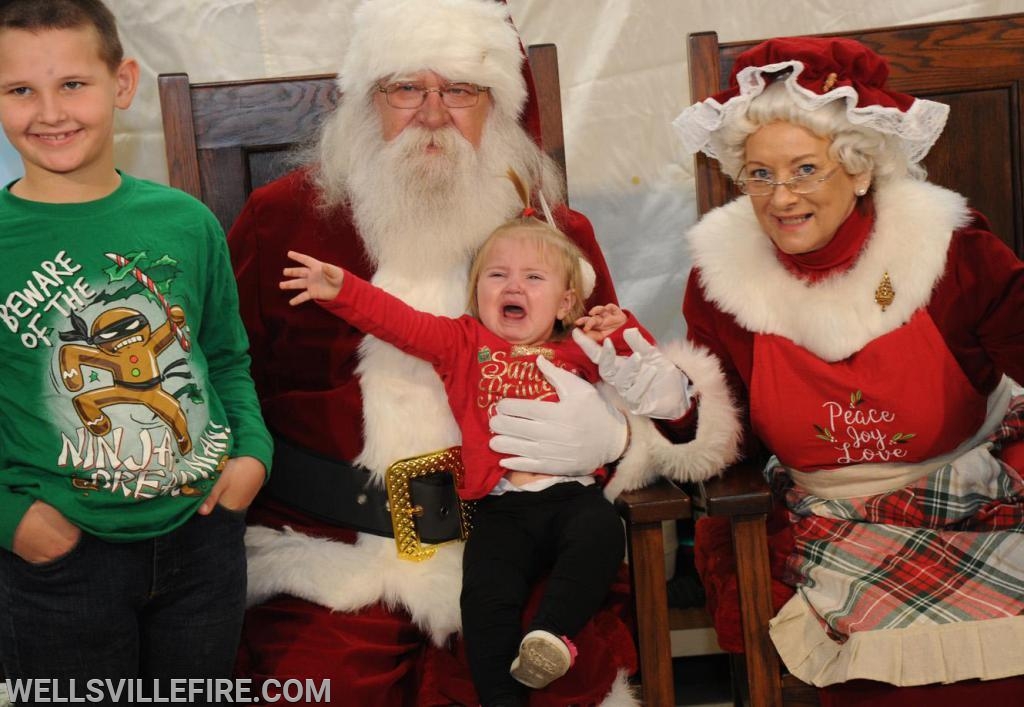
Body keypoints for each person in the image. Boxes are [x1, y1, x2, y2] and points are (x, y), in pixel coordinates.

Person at [227, 0, 740, 704]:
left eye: (460, 90)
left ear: (496, 107)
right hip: (330, 555)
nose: (433, 113)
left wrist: (618, 436)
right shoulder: (285, 222)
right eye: (406, 86)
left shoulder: (556, 237)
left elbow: (632, 377)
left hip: (525, 546)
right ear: (366, 100)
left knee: (550, 684)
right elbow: (222, 387)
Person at [665, 35, 1024, 701]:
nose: (780, 197)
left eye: (805, 169)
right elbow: (725, 431)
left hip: (977, 502)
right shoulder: (721, 280)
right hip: (830, 523)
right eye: (760, 173)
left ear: (860, 168)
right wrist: (676, 405)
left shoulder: (952, 252)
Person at [280, 190, 670, 704]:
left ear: (567, 303)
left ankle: (552, 636)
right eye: (497, 275)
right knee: (484, 603)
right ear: (476, 292)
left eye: (534, 278)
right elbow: (400, 323)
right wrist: (342, 290)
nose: (514, 286)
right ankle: (499, 698)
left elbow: (642, 373)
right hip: (500, 507)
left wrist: (619, 329)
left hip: (572, 497)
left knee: (599, 539)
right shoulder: (464, 344)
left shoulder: (578, 346)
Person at [0, 0, 272, 698]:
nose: (50, 111)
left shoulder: (184, 221)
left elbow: (227, 356)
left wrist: (251, 455)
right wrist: (14, 520)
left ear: (121, 84)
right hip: (62, 559)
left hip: (203, 544)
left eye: (72, 84)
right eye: (20, 89)